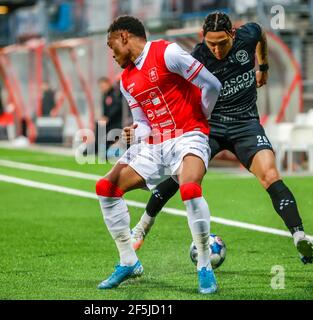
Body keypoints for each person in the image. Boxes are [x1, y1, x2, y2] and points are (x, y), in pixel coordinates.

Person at [131, 12, 313, 264]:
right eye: (211, 44)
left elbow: (261, 32)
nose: (217, 50)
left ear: (233, 34)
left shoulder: (247, 36)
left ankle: (299, 236)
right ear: (203, 39)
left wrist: (263, 67)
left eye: (222, 43)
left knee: (270, 175)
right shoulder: (196, 57)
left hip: (246, 125)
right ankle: (142, 226)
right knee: (180, 177)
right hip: (210, 127)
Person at [95, 15, 222, 294]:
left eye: (111, 44)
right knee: (106, 187)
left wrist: (201, 117)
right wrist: (134, 133)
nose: (111, 52)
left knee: (189, 188)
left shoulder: (168, 53)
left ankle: (204, 264)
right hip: (156, 143)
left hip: (189, 136)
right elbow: (144, 123)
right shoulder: (126, 80)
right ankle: (129, 261)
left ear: (125, 37)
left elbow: (212, 84)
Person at [95, 77, 123, 156]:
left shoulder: (115, 93)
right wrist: (103, 117)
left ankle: (101, 149)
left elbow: (117, 108)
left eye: (103, 86)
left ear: (108, 84)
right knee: (98, 124)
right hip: (109, 123)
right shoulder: (105, 96)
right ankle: (98, 147)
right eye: (101, 87)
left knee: (103, 130)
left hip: (117, 123)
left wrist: (108, 117)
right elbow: (105, 112)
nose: (102, 88)